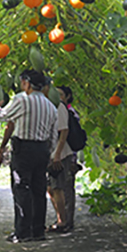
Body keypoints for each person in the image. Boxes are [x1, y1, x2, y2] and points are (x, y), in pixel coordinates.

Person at [0, 70, 57, 243]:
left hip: (24, 149)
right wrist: (49, 154)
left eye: (22, 83)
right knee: (38, 191)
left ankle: (22, 232)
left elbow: (3, 117)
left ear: (27, 83)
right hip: (42, 150)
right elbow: (53, 136)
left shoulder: (22, 99)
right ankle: (38, 231)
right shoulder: (50, 106)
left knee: (21, 189)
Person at [47, 86, 77, 233]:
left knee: (59, 188)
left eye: (60, 94)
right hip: (52, 154)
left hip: (61, 154)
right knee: (51, 188)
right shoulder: (50, 105)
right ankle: (61, 219)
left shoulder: (60, 107)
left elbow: (64, 131)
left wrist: (57, 154)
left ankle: (64, 222)